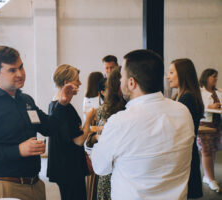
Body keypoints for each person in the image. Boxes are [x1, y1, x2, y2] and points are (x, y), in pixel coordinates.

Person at [0, 46, 77, 200]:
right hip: (5, 187)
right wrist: (18, 150)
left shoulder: (25, 100)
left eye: (21, 67)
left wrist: (62, 104)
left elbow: (49, 128)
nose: (20, 74)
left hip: (35, 184)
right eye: (12, 70)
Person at [92, 49, 195, 200]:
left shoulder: (120, 122)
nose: (120, 81)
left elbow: (100, 167)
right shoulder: (183, 112)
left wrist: (96, 140)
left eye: (122, 77)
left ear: (132, 82)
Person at [47, 64, 95, 200]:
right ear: (66, 83)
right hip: (69, 169)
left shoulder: (54, 104)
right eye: (77, 80)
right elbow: (79, 140)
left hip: (64, 167)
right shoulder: (64, 108)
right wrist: (89, 119)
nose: (80, 83)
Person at [86, 66, 126, 200]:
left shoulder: (115, 112)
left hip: (112, 174)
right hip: (109, 173)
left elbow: (100, 162)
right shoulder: (105, 109)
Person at [167, 58, 204, 198]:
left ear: (182, 74)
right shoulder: (181, 95)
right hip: (187, 154)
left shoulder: (187, 98)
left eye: (171, 72)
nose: (168, 76)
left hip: (185, 156)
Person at [198, 68, 221, 192]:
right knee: (206, 151)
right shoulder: (199, 91)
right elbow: (198, 105)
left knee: (213, 150)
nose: (216, 79)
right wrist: (210, 106)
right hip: (205, 123)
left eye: (216, 76)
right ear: (206, 77)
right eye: (214, 76)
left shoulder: (218, 92)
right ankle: (211, 179)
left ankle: (208, 176)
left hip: (218, 124)